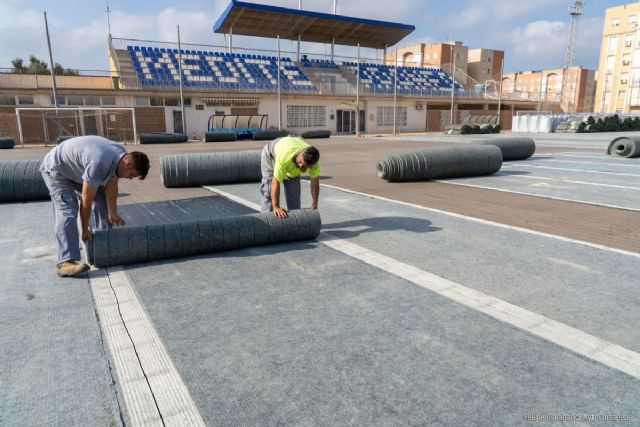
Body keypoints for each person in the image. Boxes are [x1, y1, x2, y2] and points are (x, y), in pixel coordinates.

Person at [40, 135, 150, 277]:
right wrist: (84, 229)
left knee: (102, 201)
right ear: (127, 163)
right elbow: (86, 201)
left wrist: (112, 212)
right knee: (68, 210)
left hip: (77, 170)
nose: (129, 178)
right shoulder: (99, 162)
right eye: (132, 174)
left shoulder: (120, 155)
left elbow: (112, 186)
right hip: (57, 170)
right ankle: (66, 262)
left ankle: (104, 246)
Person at [260, 136, 320, 218]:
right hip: (270, 155)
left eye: (304, 165)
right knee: (269, 190)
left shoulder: (314, 163)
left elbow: (314, 183)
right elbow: (275, 182)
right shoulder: (285, 157)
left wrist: (315, 203)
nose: (300, 165)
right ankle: (266, 219)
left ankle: (294, 220)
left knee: (294, 193)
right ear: (300, 152)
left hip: (290, 154)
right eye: (300, 162)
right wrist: (276, 207)